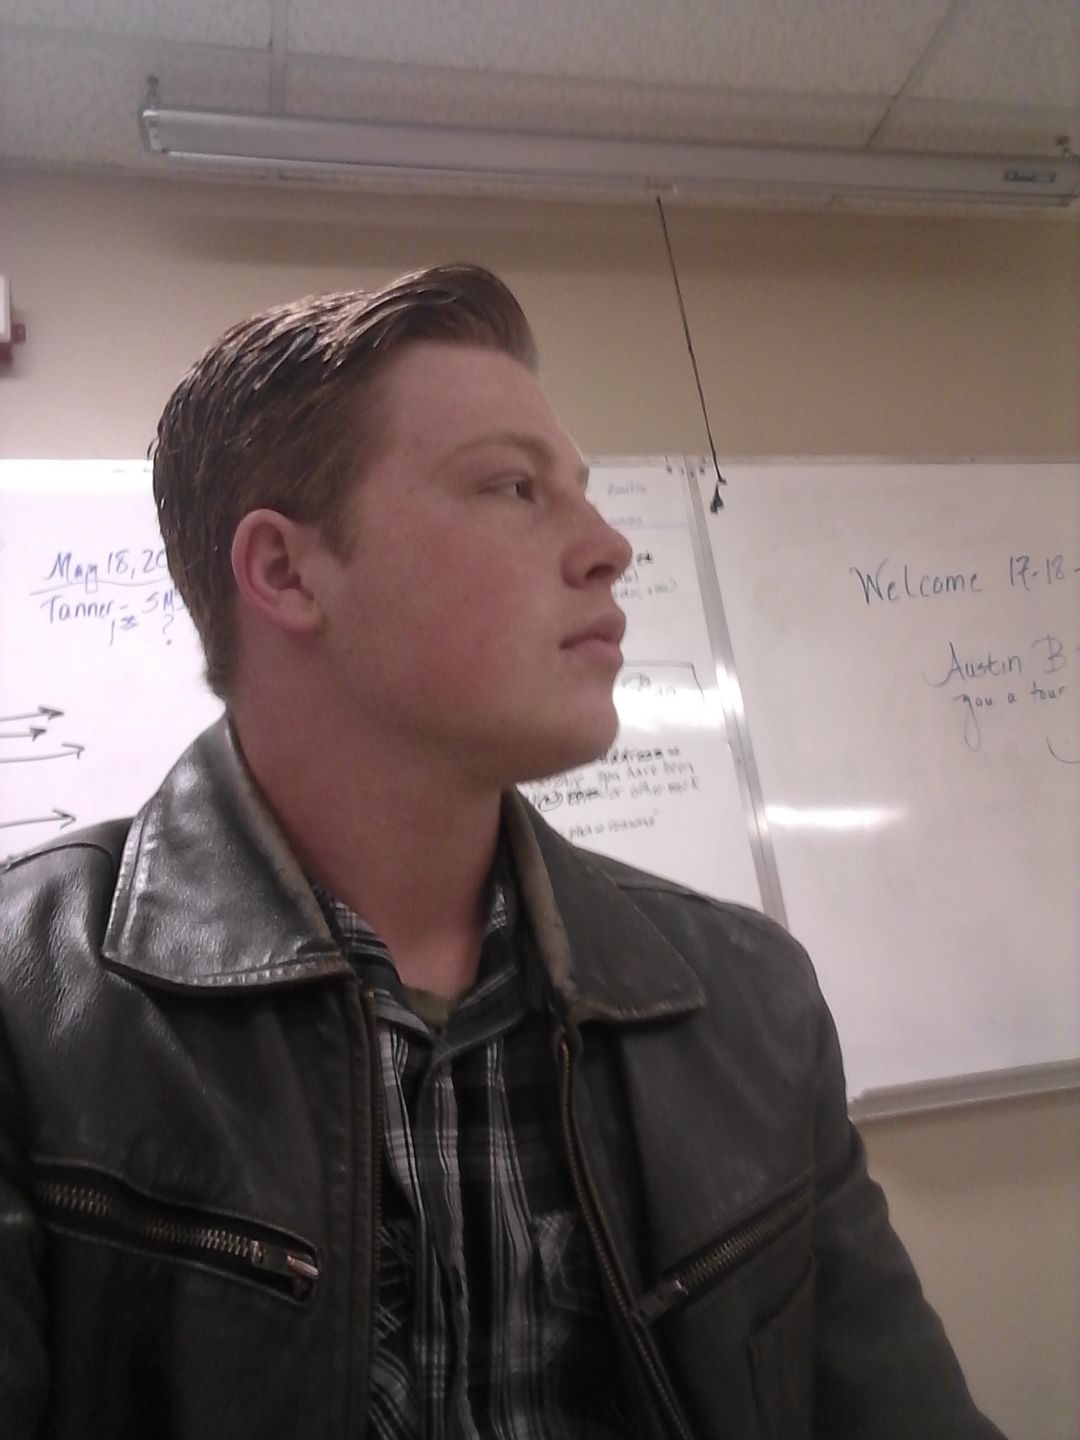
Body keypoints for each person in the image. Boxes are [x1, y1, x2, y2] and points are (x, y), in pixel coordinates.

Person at [0, 264, 1003, 1439]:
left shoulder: (750, 1003)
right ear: (284, 571)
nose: (610, 548)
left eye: (583, 493)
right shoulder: (29, 1012)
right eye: (515, 486)